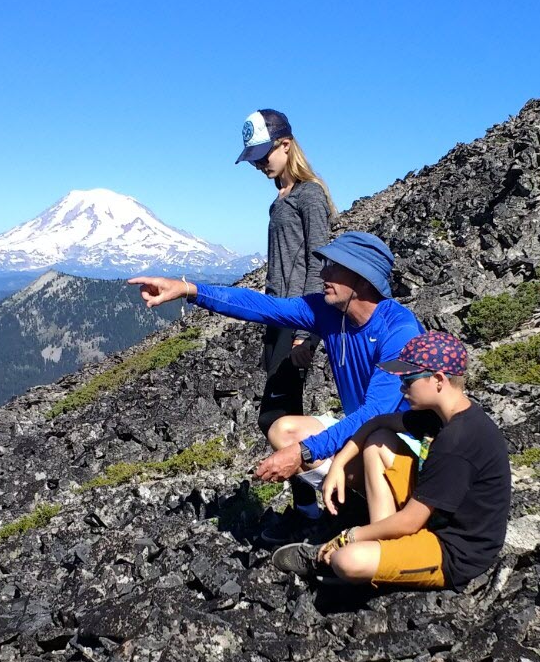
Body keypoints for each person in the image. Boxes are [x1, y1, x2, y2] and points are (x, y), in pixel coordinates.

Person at [129, 231, 424, 539]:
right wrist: (188, 290)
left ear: (364, 279)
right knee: (283, 430)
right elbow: (264, 307)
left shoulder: (399, 331)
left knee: (375, 436)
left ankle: (388, 532)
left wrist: (304, 452)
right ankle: (339, 511)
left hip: (406, 450)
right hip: (365, 438)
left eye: (334, 268)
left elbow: (376, 413)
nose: (323, 273)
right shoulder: (328, 312)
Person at [272, 330, 511, 590]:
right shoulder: (441, 416)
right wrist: (338, 465)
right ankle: (383, 546)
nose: (402, 387)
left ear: (438, 380)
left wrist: (348, 537)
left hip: (454, 550)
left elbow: (410, 521)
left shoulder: (457, 441)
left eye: (408, 379)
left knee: (348, 560)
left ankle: (355, 561)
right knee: (379, 440)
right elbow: (378, 422)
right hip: (433, 516)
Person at [235, 108, 337, 437]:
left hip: (296, 316)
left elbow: (318, 261)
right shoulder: (281, 198)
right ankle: (315, 486)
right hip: (277, 316)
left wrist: (306, 332)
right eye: (254, 158)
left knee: (275, 419)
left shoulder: (309, 194)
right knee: (287, 414)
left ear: (286, 145)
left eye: (264, 155)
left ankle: (335, 470)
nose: (259, 164)